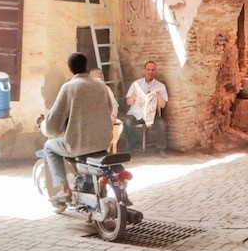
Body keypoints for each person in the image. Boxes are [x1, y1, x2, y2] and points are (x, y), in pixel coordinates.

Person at [39, 53, 113, 203]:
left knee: (49, 147)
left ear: (70, 69)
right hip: (103, 142)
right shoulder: (101, 85)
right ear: (86, 66)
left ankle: (65, 190)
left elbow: (54, 122)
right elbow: (109, 110)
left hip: (79, 145)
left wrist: (43, 124)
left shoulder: (69, 87)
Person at [123, 60, 168, 156]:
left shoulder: (160, 86)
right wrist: (134, 95)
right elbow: (128, 102)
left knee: (160, 123)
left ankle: (160, 148)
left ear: (155, 71)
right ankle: (132, 143)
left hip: (150, 114)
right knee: (127, 121)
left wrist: (158, 96)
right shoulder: (136, 84)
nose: (150, 72)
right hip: (136, 113)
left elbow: (163, 105)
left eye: (152, 70)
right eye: (148, 69)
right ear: (144, 70)